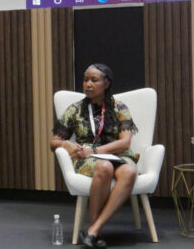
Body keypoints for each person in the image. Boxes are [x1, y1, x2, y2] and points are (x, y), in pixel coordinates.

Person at [50, 63, 138, 248]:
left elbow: (125, 142)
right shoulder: (75, 109)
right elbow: (54, 142)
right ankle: (94, 231)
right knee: (104, 167)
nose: (88, 84)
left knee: (130, 171)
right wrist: (66, 143)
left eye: (94, 80)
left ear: (106, 84)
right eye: (85, 80)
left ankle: (92, 230)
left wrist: (97, 151)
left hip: (116, 154)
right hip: (87, 158)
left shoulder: (119, 107)